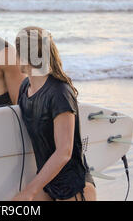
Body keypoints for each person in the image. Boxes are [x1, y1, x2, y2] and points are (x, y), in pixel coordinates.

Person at [12, 26, 96, 201]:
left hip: (73, 186)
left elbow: (64, 152)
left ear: (24, 56)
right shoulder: (25, 88)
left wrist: (30, 191)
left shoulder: (59, 93)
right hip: (47, 182)